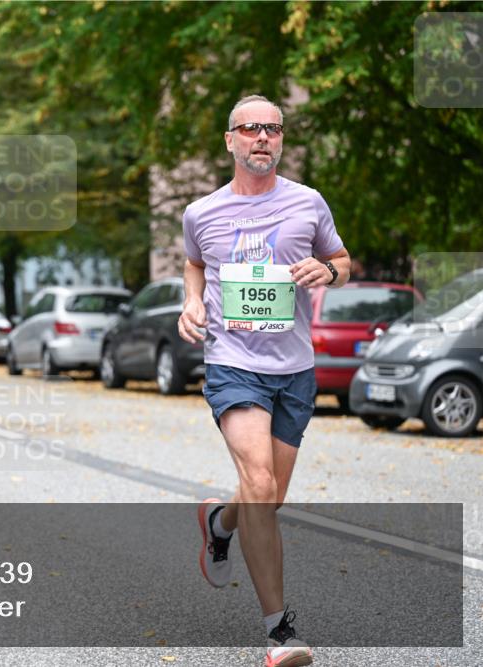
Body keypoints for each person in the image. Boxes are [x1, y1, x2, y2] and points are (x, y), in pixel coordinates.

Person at [178, 95, 350, 667]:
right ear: (230, 140)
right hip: (233, 362)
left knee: (267, 498)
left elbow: (342, 260)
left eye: (273, 129)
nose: (262, 137)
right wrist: (191, 302)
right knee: (256, 478)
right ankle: (279, 631)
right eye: (251, 128)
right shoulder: (202, 213)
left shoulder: (308, 203)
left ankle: (217, 522)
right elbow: (195, 262)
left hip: (294, 371)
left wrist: (327, 270)